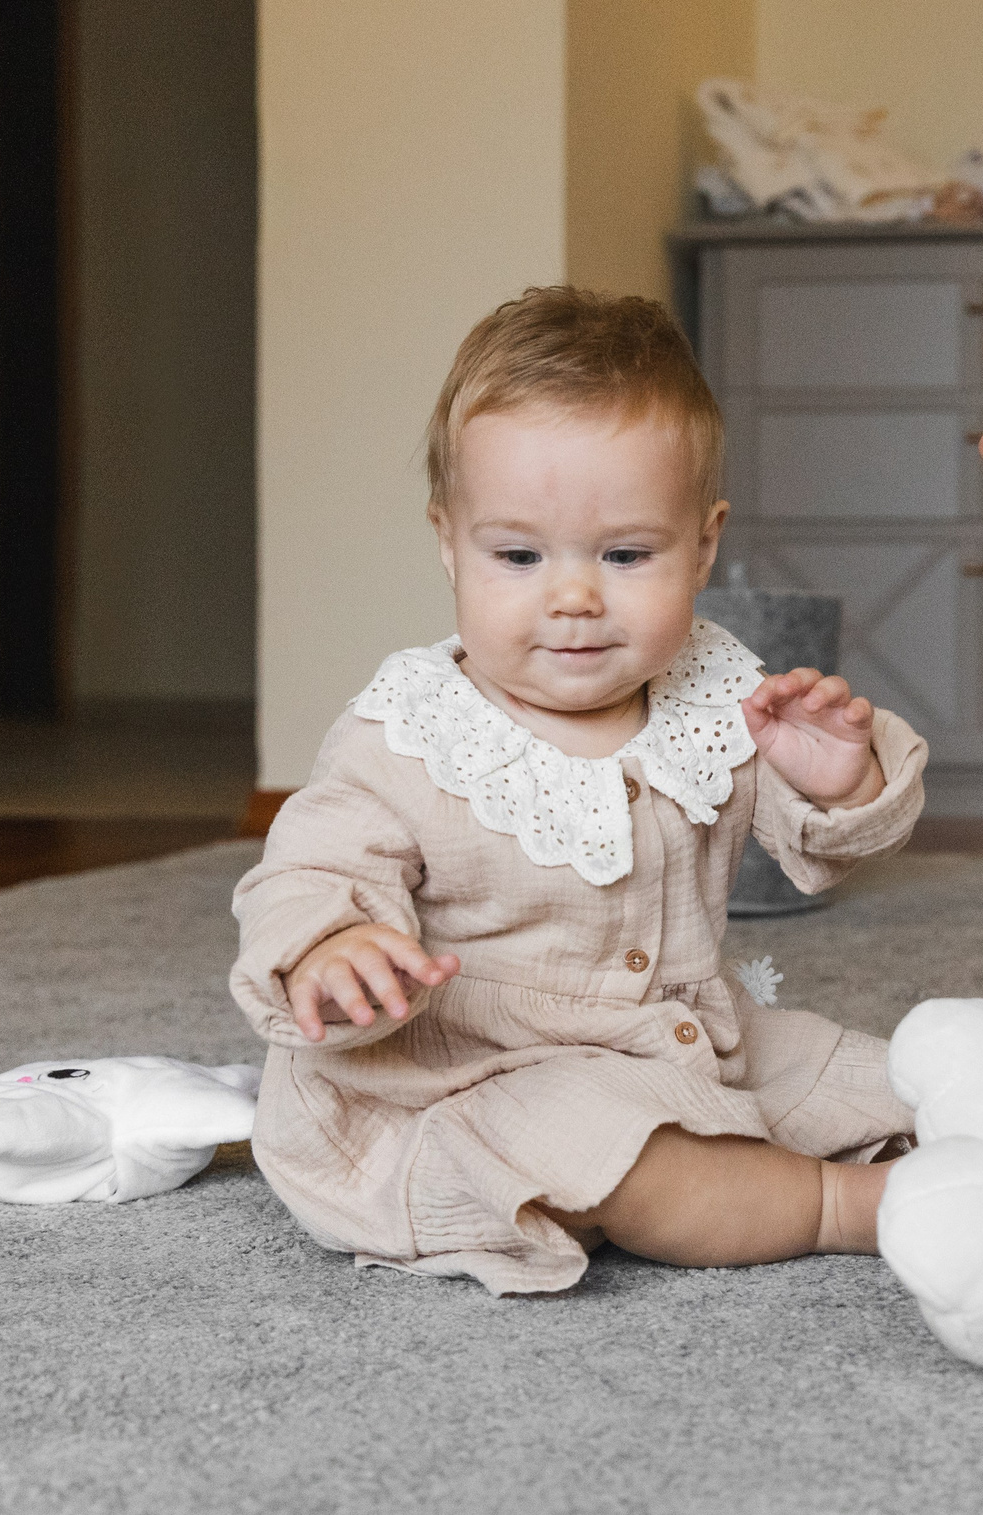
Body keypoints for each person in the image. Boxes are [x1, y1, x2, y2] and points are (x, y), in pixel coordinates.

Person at [230, 286, 926, 1294]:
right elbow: (309, 868)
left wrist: (840, 779)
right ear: (446, 540)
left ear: (704, 544)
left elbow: (832, 845)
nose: (573, 598)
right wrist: (332, 948)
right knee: (618, 1145)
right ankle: (839, 1205)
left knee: (848, 1069)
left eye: (627, 555)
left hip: (679, 1034)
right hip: (466, 1077)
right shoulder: (414, 731)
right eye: (517, 556)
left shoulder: (717, 691)